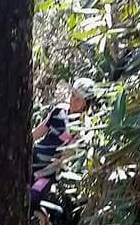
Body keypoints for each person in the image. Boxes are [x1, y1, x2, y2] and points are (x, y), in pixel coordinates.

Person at [30, 77, 96, 210]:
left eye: (78, 99)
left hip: (46, 174)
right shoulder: (58, 111)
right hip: (30, 160)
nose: (73, 100)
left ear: (86, 103)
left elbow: (65, 157)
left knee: (31, 199)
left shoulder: (84, 126)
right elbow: (37, 133)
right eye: (72, 95)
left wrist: (43, 171)